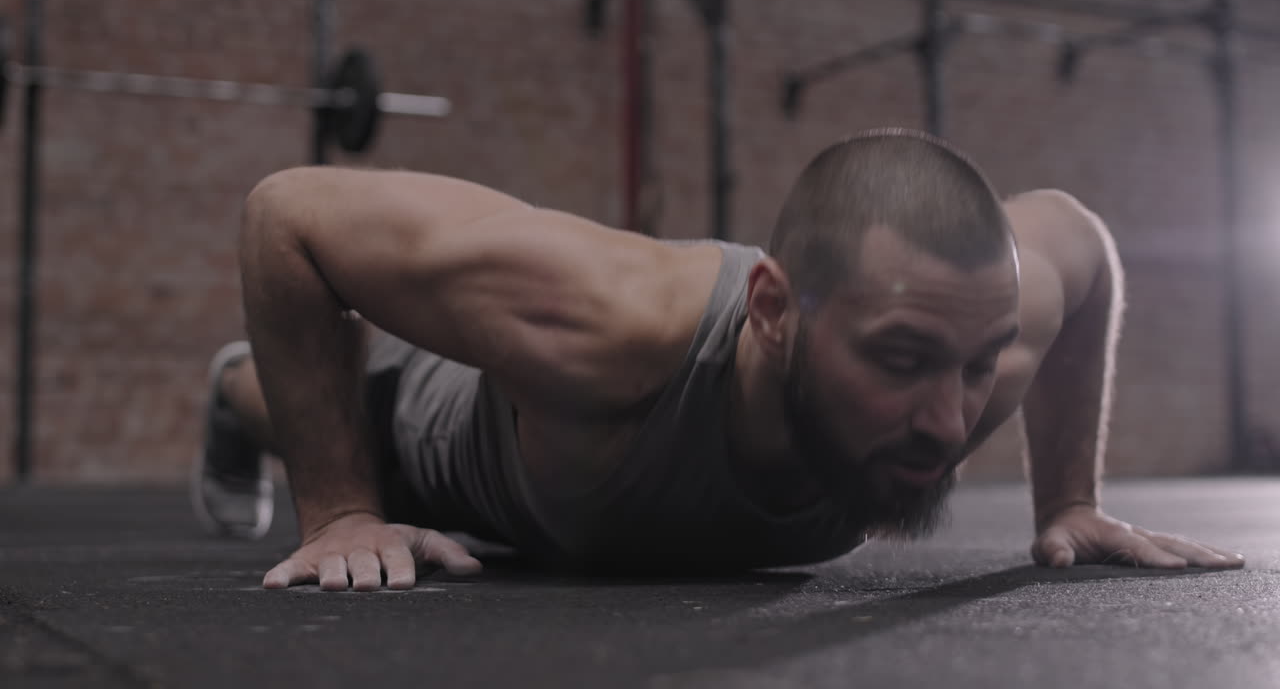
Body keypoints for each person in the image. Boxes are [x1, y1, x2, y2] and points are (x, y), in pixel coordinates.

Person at [191, 128, 1245, 591]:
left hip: (599, 490)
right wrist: (338, 512)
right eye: (901, 359)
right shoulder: (608, 324)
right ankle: (235, 396)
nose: (944, 421)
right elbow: (289, 214)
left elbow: (1076, 236)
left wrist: (1064, 500)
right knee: (298, 408)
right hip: (471, 447)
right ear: (773, 309)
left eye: (972, 365)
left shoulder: (964, 348)